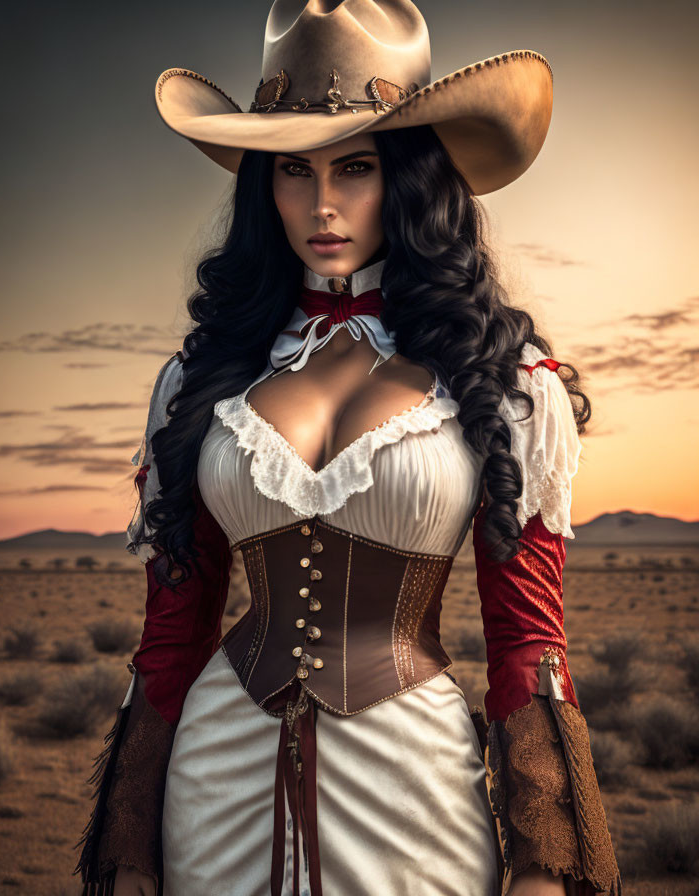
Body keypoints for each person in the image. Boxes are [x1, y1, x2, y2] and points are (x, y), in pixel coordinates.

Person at [74, 1, 621, 894]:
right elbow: (172, 635)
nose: (322, 204)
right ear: (264, 184)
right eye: (293, 171)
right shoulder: (203, 378)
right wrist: (128, 848)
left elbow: (528, 641)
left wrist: (548, 864)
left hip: (412, 787)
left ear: (411, 178)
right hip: (216, 779)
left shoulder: (507, 382)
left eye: (357, 168)